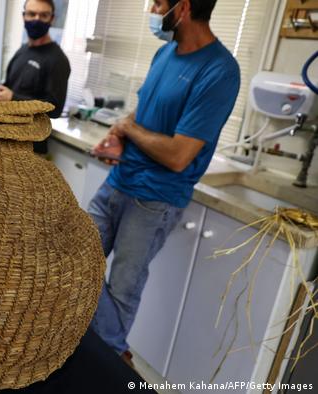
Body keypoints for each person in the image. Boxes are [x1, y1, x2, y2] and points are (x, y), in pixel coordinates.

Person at [85, 0, 240, 367]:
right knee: (74, 257)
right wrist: (117, 136)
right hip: (117, 182)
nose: (152, 10)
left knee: (122, 289)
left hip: (154, 199)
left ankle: (107, 365)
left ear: (182, 7)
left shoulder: (219, 71)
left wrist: (128, 130)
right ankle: (110, 350)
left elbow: (178, 155)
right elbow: (142, 112)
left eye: (157, 3)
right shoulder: (163, 54)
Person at [0, 0, 70, 153]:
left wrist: (13, 98)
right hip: (7, 138)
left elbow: (55, 109)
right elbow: (12, 86)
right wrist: (0, 93)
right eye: (31, 14)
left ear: (52, 19)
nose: (36, 19)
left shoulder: (57, 60)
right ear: (23, 16)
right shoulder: (23, 50)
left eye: (43, 15)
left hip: (30, 147)